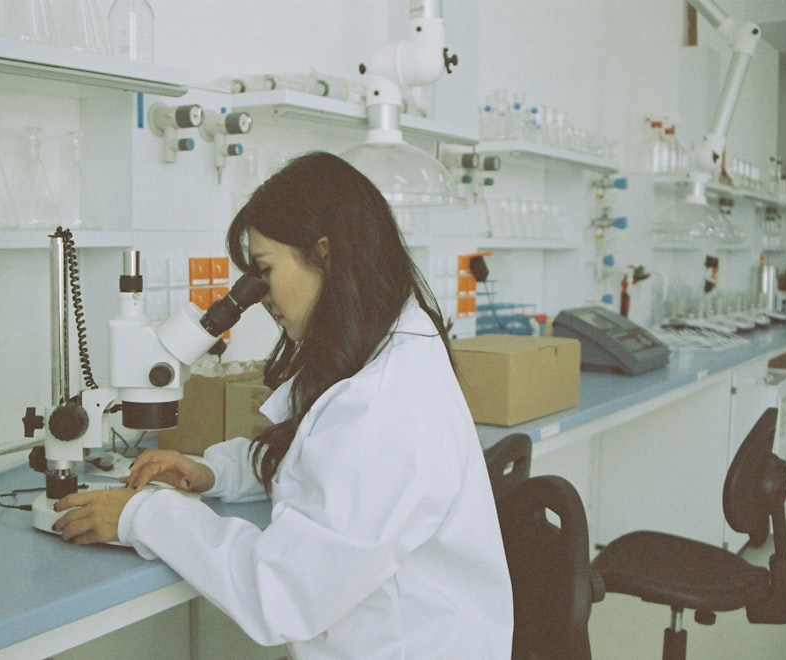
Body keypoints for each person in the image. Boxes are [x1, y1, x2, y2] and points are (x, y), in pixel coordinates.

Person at [53, 151, 513, 657]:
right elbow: (316, 459)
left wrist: (142, 515)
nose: (259, 294)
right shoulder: (385, 346)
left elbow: (281, 593)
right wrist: (212, 473)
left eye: (265, 269)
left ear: (325, 254)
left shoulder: (386, 407)